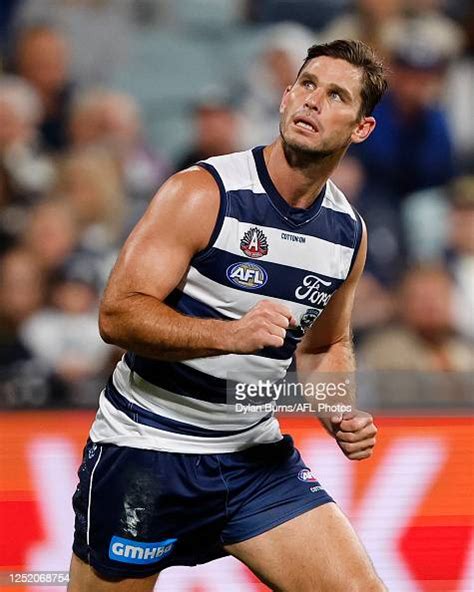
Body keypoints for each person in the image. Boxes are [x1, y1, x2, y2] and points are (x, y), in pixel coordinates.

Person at [68, 40, 388, 591]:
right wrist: (229, 334)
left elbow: (322, 345)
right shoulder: (203, 192)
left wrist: (337, 411)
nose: (312, 101)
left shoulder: (346, 234)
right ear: (285, 97)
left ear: (361, 129)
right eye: (307, 85)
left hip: (253, 457)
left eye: (335, 95)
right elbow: (117, 316)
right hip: (148, 450)